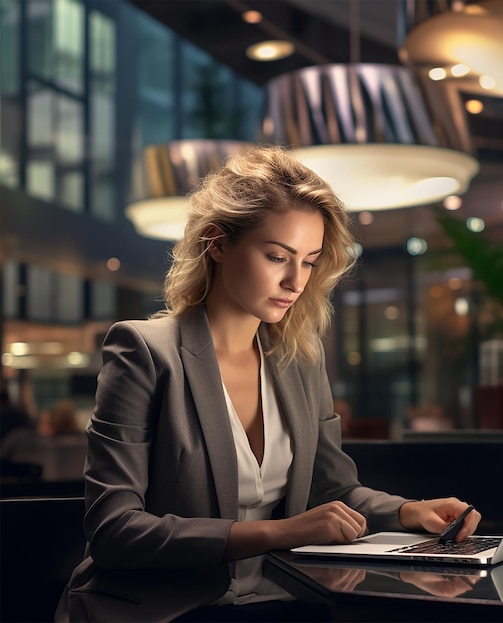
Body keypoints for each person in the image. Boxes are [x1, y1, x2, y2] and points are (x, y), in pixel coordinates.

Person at [56, 145, 480, 621]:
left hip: (280, 599)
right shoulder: (144, 351)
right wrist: (284, 532)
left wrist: (410, 513)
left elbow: (335, 491)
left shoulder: (300, 359)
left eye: (310, 260)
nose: (295, 281)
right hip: (163, 608)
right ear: (217, 243)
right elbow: (115, 532)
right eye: (278, 256)